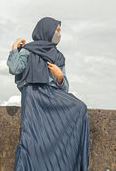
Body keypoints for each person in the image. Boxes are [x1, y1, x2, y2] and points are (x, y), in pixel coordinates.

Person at [7, 16, 90, 171]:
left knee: (80, 108)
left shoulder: (58, 56)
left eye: (59, 30)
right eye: (57, 30)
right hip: (33, 97)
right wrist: (14, 49)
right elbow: (15, 68)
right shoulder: (27, 51)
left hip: (52, 96)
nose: (58, 33)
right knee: (31, 141)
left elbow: (64, 88)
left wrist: (59, 76)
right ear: (47, 30)